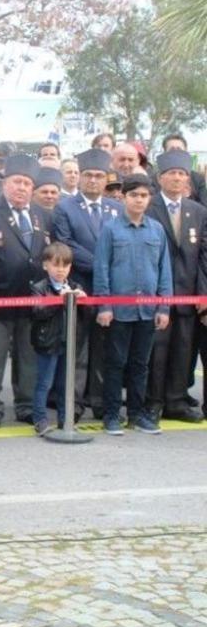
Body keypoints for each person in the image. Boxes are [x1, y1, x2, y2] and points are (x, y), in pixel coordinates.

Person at [0, 154, 52, 427]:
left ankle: (26, 404)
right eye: (17, 182)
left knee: (27, 355)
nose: (22, 188)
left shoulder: (42, 215)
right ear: (5, 183)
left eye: (27, 183)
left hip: (32, 300)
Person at [94, 174, 172, 436]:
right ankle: (112, 415)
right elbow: (102, 267)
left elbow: (165, 271)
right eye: (134, 195)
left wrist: (164, 307)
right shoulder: (111, 229)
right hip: (118, 310)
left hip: (148, 311)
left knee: (141, 364)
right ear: (124, 197)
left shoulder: (157, 230)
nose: (139, 200)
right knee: (115, 363)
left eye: (144, 195)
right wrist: (104, 305)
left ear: (150, 198)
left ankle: (136, 415)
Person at [53, 149, 122, 420]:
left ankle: (101, 402)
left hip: (109, 291)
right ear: (80, 177)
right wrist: (101, 264)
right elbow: (66, 243)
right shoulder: (65, 207)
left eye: (98, 176)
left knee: (104, 349)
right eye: (88, 175)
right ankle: (74, 404)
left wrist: (108, 270)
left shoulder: (116, 209)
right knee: (77, 350)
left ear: (106, 179)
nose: (93, 180)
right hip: (79, 287)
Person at [145, 149, 206, 423]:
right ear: (160, 178)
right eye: (172, 173)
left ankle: (176, 400)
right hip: (157, 294)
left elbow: (204, 256)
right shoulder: (149, 207)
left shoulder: (198, 211)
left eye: (182, 174)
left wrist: (202, 294)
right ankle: (154, 401)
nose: (177, 179)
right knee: (157, 352)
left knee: (184, 350)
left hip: (189, 293)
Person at [29, 243, 84, 436]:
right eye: (56, 265)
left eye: (65, 266)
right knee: (44, 382)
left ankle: (65, 419)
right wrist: (58, 301)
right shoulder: (39, 288)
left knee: (65, 384)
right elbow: (37, 312)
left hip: (67, 341)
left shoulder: (75, 286)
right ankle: (40, 419)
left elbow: (86, 314)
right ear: (45, 265)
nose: (61, 270)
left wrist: (82, 300)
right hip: (47, 342)